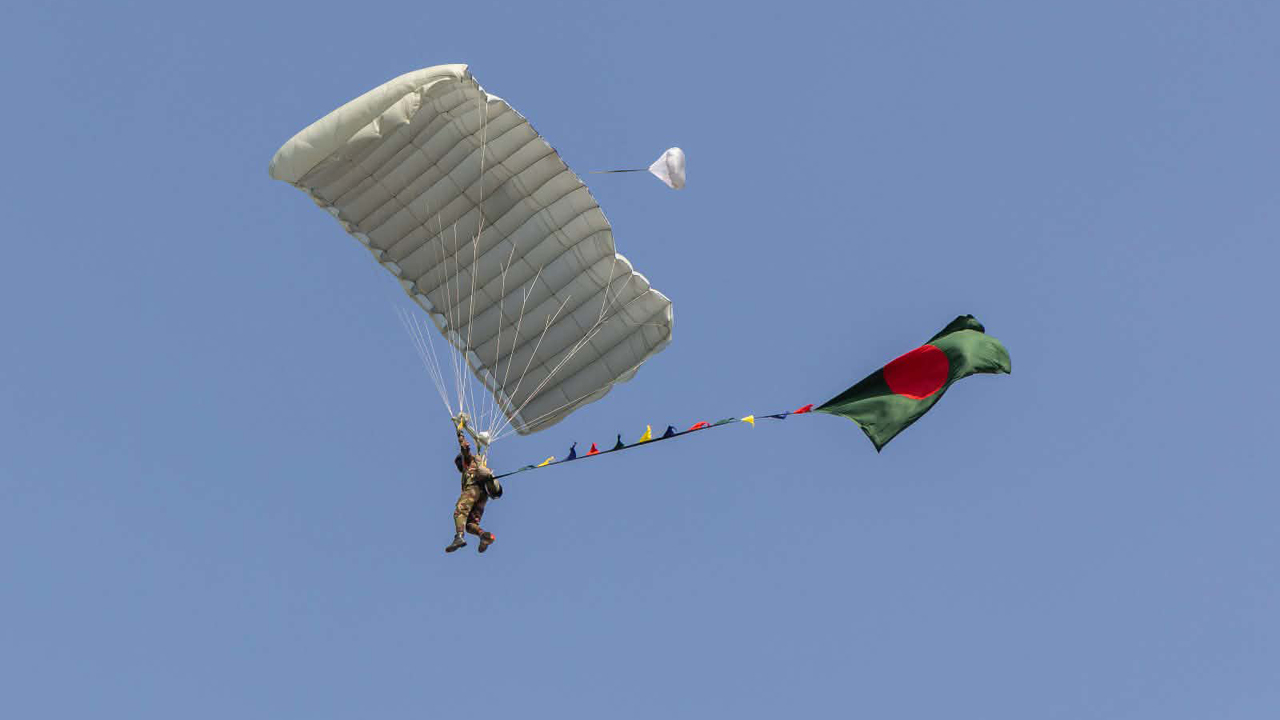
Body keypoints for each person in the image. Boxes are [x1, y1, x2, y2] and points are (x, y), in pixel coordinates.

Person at [445, 425, 498, 554]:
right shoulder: (477, 464)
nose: (458, 466)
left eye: (458, 463)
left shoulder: (468, 461)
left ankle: (459, 537)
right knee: (469, 525)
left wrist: (460, 433)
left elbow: (465, 448)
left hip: (473, 490)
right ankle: (483, 535)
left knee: (460, 511)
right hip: (483, 496)